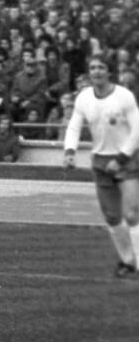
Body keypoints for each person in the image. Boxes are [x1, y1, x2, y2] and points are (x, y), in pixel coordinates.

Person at [63, 53, 139, 278]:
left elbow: (137, 131)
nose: (96, 71)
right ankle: (127, 261)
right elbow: (74, 126)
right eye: (93, 67)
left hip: (127, 160)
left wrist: (122, 158)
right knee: (112, 217)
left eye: (101, 67)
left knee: (132, 214)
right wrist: (69, 152)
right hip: (101, 162)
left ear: (109, 71)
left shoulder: (123, 96)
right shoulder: (83, 98)